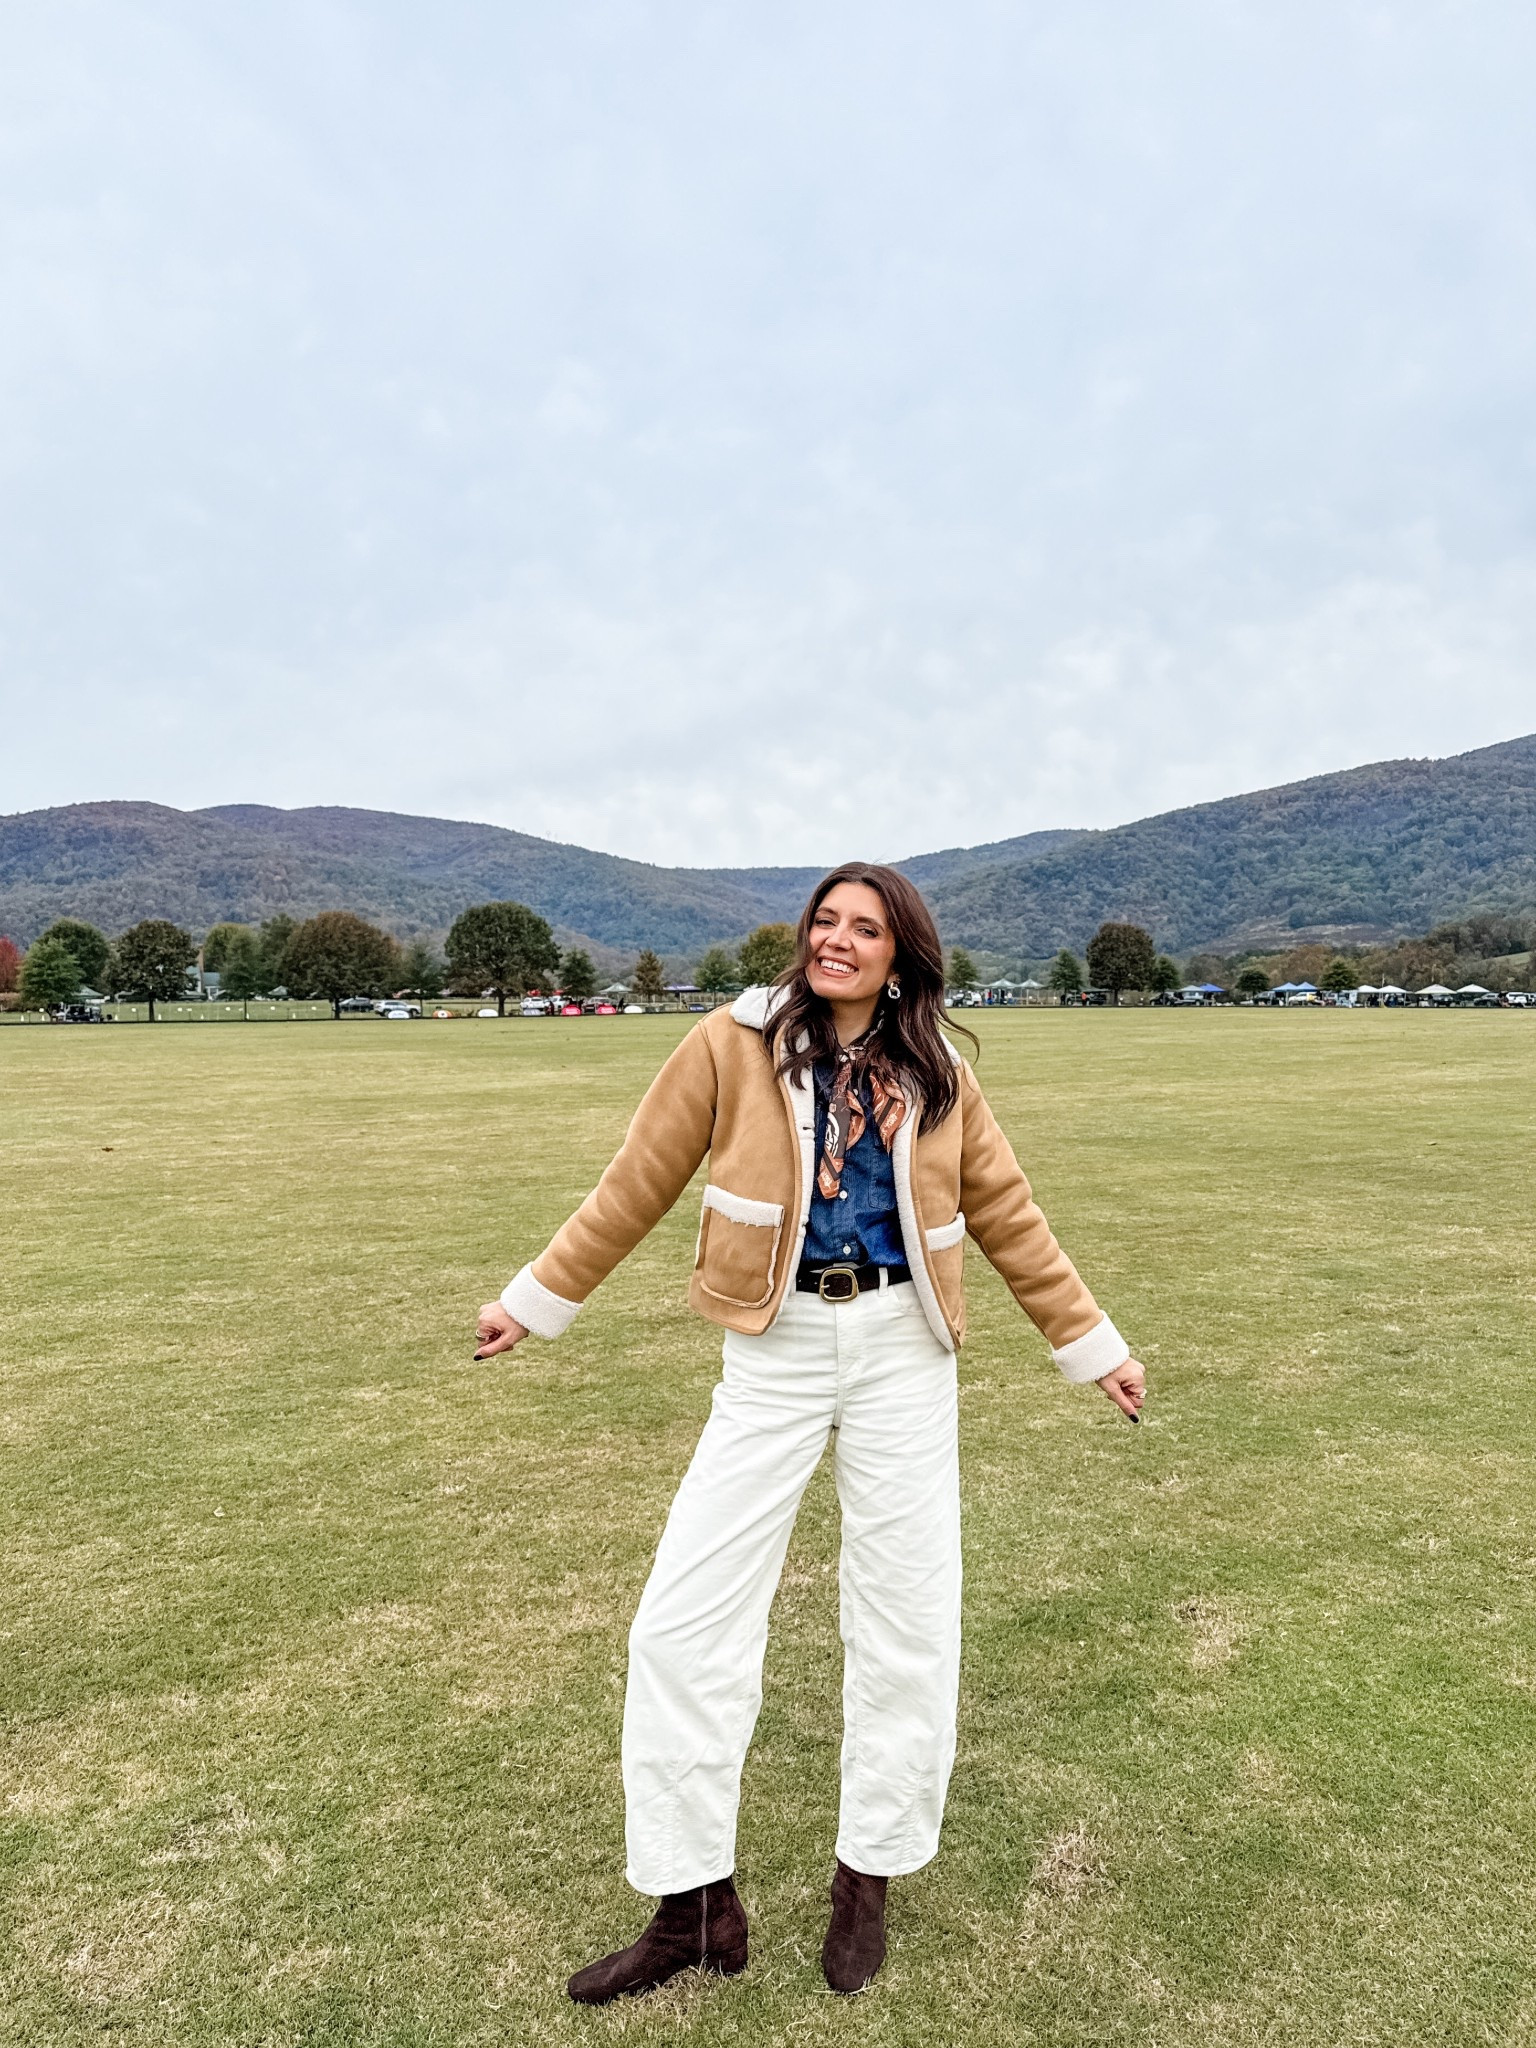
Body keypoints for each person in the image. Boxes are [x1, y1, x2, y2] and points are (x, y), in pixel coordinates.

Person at [475, 863, 1146, 2003]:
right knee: (682, 1624)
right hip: (774, 1346)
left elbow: (1009, 1213)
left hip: (902, 1350)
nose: (837, 939)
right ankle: (694, 1908)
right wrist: (536, 1296)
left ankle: (864, 1881)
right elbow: (636, 1180)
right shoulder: (729, 1043)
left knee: (906, 1623)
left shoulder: (939, 1072)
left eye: (865, 927)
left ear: (900, 953)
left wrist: (1094, 1344)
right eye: (825, 921)